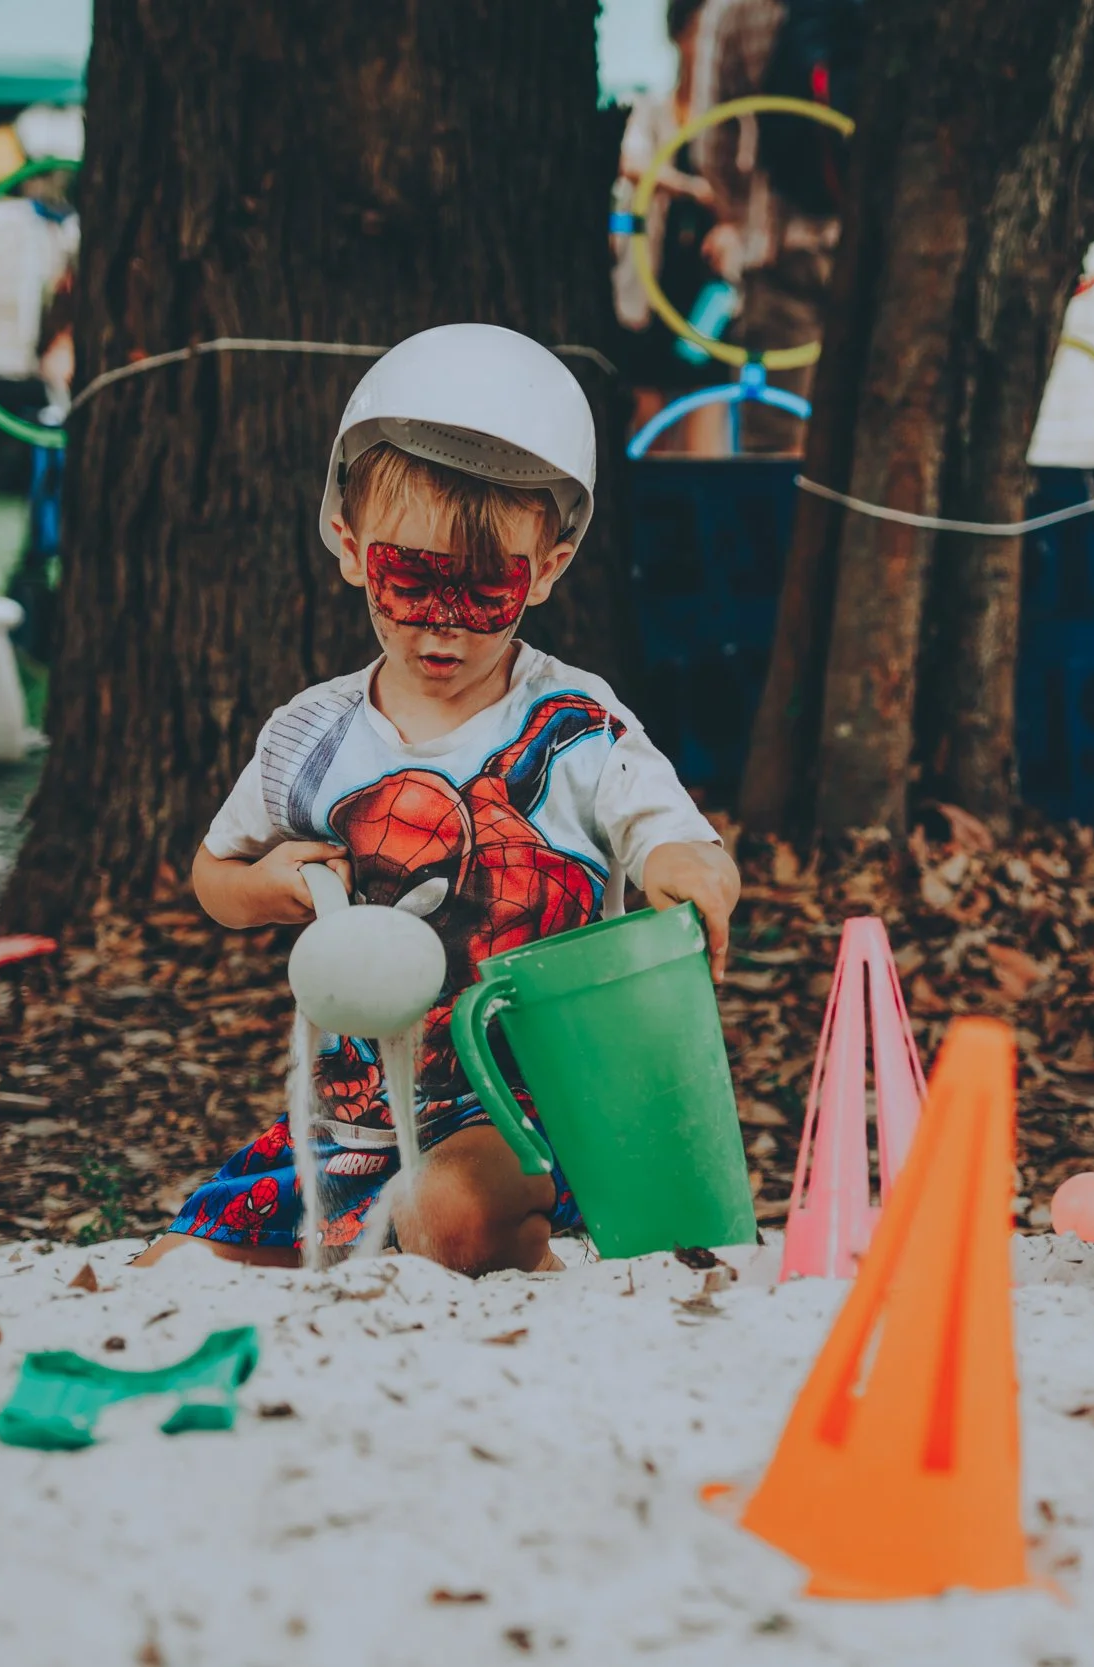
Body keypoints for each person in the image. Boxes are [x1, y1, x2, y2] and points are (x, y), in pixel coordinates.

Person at [140, 325, 741, 1277]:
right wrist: (266, 887)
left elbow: (668, 830)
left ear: (547, 567)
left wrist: (684, 865)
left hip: (535, 1113)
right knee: (174, 1267)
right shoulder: (313, 735)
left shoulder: (575, 724)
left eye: (485, 590)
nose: (443, 625)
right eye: (409, 579)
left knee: (448, 1213)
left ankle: (559, 1267)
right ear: (349, 545)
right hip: (358, 1116)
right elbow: (213, 874)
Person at [690, 0, 850, 453]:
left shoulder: (735, 9)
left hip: (778, 249)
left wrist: (743, 217)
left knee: (776, 443)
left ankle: (778, 525)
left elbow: (711, 140)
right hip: (878, 253)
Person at [613, 0, 731, 455]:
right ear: (679, 36)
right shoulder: (654, 110)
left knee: (706, 434)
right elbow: (632, 161)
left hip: (710, 298)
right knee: (650, 431)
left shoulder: (728, 119)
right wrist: (690, 189)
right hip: (652, 289)